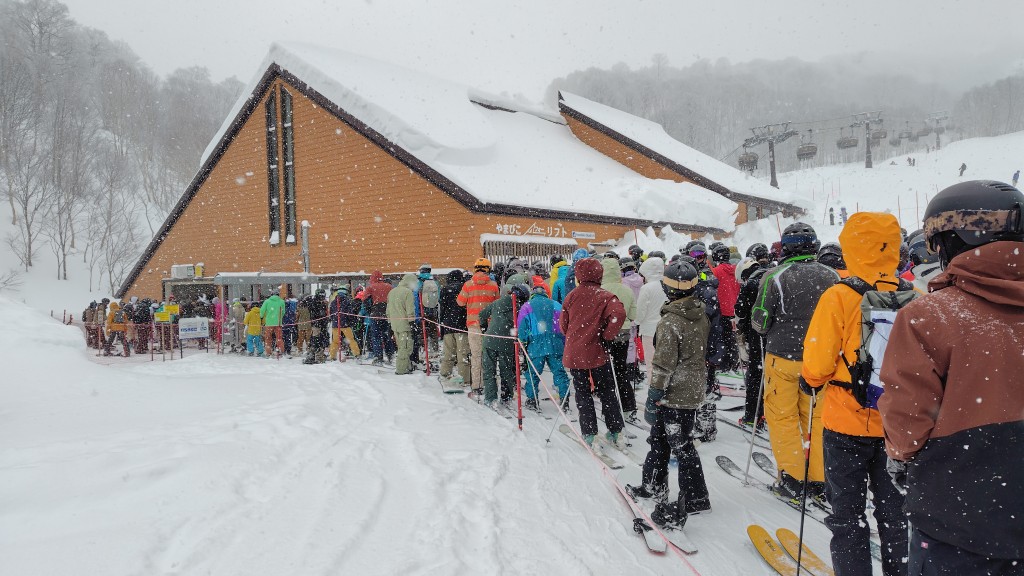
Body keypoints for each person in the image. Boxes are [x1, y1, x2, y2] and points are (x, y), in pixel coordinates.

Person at [879, 180, 1024, 574]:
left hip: (960, 515)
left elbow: (907, 421)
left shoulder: (931, 316)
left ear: (954, 239)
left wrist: (900, 457)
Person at [799, 212, 910, 576]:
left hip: (846, 420)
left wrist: (811, 382)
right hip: (899, 424)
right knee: (895, 514)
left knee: (847, 514)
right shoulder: (916, 296)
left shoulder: (840, 296)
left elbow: (817, 362)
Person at [751, 222, 839, 500]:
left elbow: (760, 321)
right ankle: (819, 477)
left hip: (783, 357)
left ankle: (792, 477)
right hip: (821, 359)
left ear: (785, 248)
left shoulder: (774, 276)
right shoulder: (832, 275)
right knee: (818, 418)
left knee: (782, 417)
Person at [627, 261, 711, 530]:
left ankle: (692, 498)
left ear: (666, 287)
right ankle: (656, 486)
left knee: (677, 444)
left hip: (674, 393)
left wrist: (654, 395)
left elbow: (662, 365)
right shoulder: (701, 314)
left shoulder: (671, 322)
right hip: (693, 388)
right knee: (668, 440)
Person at [559, 257, 628, 447]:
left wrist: (574, 336)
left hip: (576, 353)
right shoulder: (605, 296)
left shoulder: (571, 296)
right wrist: (607, 335)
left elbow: (563, 325)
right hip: (598, 351)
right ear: (600, 274)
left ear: (579, 275)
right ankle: (615, 430)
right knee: (606, 391)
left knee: (582, 393)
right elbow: (619, 314)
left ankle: (590, 434)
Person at [517, 276, 570, 409]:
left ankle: (532, 399)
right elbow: (564, 326)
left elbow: (522, 329)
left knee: (532, 374)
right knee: (559, 372)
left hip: (536, 345)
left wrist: (522, 344)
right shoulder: (557, 305)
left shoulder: (526, 307)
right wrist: (563, 343)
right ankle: (564, 399)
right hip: (556, 344)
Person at [734, 243, 770, 429]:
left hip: (758, 337)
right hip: (778, 337)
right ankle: (772, 414)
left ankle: (753, 416)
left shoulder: (750, 285)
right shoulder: (774, 274)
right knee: (773, 377)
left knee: (756, 377)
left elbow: (740, 311)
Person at [478, 276, 529, 407]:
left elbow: (482, 315)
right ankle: (506, 396)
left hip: (490, 340)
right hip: (507, 343)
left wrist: (484, 328)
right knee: (506, 371)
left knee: (489, 370)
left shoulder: (497, 303)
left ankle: (490, 397)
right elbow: (521, 327)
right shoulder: (520, 309)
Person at [601, 256, 639, 422]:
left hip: (604, 334)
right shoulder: (627, 289)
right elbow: (632, 315)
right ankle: (629, 406)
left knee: (605, 372)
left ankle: (610, 407)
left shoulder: (600, 290)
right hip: (623, 333)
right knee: (621, 370)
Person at [457, 258, 500, 397]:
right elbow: (497, 305)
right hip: (489, 326)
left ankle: (477, 385)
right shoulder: (494, 285)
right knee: (490, 356)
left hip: (473, 326)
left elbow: (460, 303)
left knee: (476, 356)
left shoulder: (468, 285)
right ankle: (491, 384)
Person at [635, 256, 667, 386]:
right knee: (665, 362)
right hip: (666, 328)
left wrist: (636, 320)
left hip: (649, 331)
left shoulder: (647, 288)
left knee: (651, 363)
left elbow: (640, 312)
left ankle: (654, 391)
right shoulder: (667, 285)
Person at [710, 243, 740, 372]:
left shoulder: (717, 271)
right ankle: (734, 361)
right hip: (736, 309)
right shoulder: (737, 270)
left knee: (722, 338)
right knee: (733, 339)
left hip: (722, 309)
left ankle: (724, 363)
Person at [438, 270, 471, 386]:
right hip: (462, 325)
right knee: (463, 354)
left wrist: (442, 325)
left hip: (448, 325)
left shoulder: (444, 289)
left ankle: (445, 373)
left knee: (448, 353)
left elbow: (442, 309)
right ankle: (465, 378)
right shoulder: (465, 287)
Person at [387, 274, 418, 375]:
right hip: (405, 325)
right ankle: (401, 370)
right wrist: (413, 324)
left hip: (395, 324)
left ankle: (407, 366)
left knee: (401, 347)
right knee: (406, 348)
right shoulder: (408, 292)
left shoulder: (392, 291)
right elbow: (410, 310)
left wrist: (389, 323)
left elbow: (388, 311)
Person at [366, 271, 394, 366]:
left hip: (375, 314)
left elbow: (366, 301)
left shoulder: (370, 287)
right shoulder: (389, 287)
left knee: (376, 336)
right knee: (387, 335)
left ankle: (378, 357)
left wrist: (370, 311)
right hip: (387, 314)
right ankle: (390, 355)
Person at [329, 286, 361, 360]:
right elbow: (350, 313)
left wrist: (333, 320)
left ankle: (332, 356)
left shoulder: (333, 302)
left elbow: (331, 313)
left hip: (335, 324)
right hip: (346, 324)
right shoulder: (347, 301)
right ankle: (356, 354)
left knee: (335, 341)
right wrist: (352, 321)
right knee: (351, 340)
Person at [260, 289, 286, 357]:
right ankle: (280, 351)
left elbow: (262, 312)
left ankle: (268, 352)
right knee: (279, 338)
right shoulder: (281, 301)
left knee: (268, 338)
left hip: (269, 323)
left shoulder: (267, 301)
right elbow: (283, 312)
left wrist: (261, 316)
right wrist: (280, 318)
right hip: (278, 323)